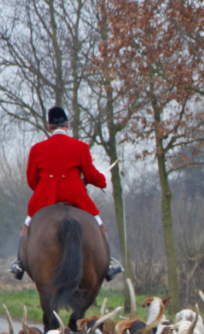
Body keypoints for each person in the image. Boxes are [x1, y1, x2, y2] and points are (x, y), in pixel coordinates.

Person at [11, 107, 123, 282]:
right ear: (68, 125)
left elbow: (31, 180)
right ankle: (108, 265)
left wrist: (44, 188)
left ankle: (19, 264)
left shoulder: (37, 149)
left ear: (49, 126)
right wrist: (101, 180)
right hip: (75, 196)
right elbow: (91, 176)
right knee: (98, 223)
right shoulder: (81, 147)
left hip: (44, 198)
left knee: (27, 224)